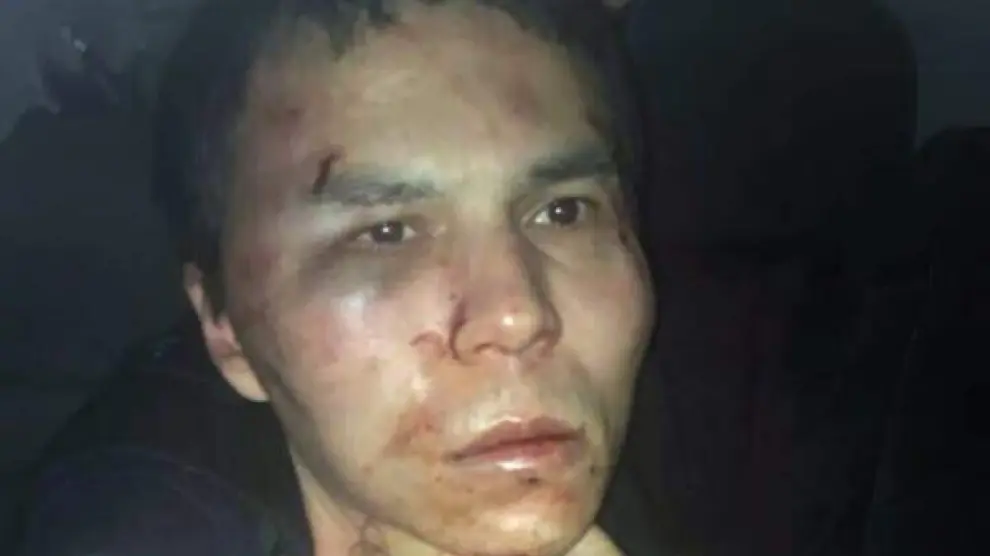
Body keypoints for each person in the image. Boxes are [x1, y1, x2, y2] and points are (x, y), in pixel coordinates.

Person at [18, 0, 656, 555]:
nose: (518, 316)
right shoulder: (144, 524)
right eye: (386, 234)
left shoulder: (700, 430)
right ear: (224, 325)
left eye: (564, 213)